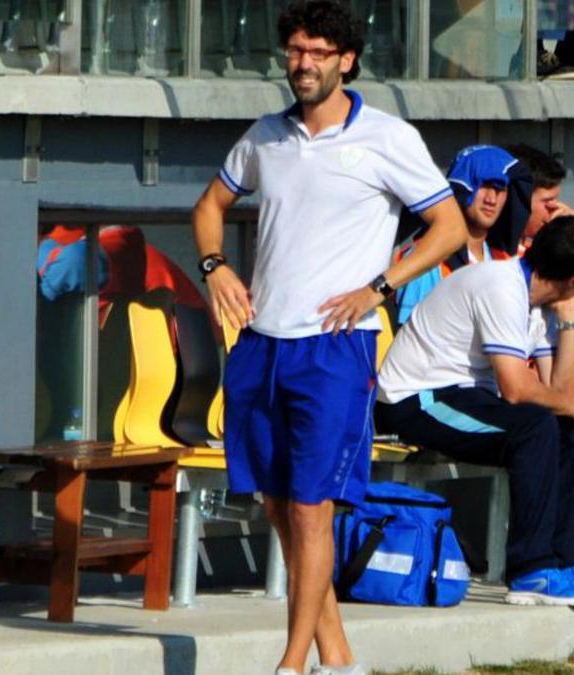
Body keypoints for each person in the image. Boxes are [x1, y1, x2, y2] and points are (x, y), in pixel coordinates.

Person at [191, 3, 467, 674]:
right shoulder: (264, 136)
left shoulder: (387, 137)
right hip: (261, 344)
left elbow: (449, 227)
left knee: (314, 508)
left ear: (346, 60)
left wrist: (382, 285)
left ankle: (291, 664)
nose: (303, 62)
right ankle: (338, 658)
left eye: (317, 51)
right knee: (281, 504)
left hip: (335, 347)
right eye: (294, 50)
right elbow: (209, 208)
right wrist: (215, 265)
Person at [376, 216, 574, 607]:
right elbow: (516, 390)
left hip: (467, 396)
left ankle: (565, 564)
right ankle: (532, 570)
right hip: (416, 398)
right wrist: (572, 403)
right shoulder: (502, 287)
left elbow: (559, 391)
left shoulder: (542, 302)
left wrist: (568, 322)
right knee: (536, 427)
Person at [395, 145, 518, 324]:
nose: (491, 199)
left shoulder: (502, 259)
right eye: (483, 185)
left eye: (500, 189)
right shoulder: (427, 258)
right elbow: (410, 336)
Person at [504, 143, 574, 254]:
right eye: (548, 201)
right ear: (518, 199)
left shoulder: (530, 247)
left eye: (556, 200)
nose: (557, 208)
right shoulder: (490, 255)